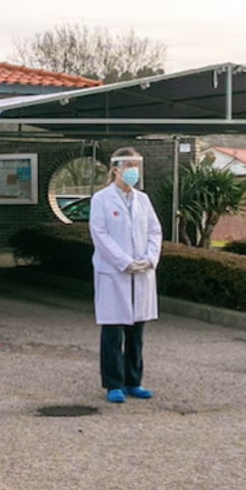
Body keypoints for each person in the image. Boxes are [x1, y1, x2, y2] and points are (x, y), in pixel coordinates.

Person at [89, 147, 163, 404]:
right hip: (114, 274)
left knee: (136, 332)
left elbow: (155, 231)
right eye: (128, 166)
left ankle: (134, 381)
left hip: (141, 273)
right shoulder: (101, 199)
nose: (133, 171)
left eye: (136, 166)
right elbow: (100, 235)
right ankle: (113, 384)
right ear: (115, 169)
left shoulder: (143, 200)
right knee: (113, 332)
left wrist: (149, 259)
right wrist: (124, 262)